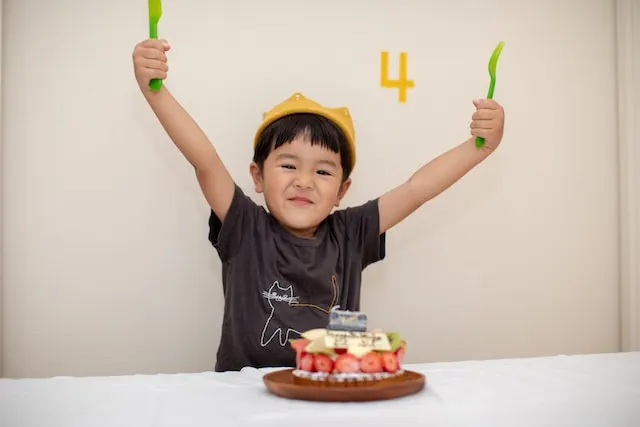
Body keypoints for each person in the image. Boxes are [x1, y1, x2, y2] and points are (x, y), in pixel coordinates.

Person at [131, 38, 505, 372]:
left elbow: (416, 189)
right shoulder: (245, 225)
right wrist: (156, 93)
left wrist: (480, 148)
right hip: (242, 401)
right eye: (289, 165)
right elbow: (205, 160)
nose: (304, 181)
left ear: (342, 191)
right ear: (258, 177)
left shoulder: (352, 232)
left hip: (331, 395)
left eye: (323, 172)